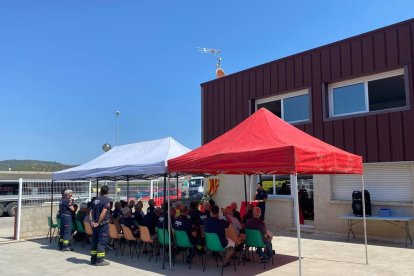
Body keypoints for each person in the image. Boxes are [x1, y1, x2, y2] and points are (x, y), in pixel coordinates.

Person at [89, 185, 111, 266]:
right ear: (107, 192)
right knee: (101, 242)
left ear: (100, 191)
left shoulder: (95, 200)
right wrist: (98, 222)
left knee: (94, 241)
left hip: (94, 225)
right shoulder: (106, 200)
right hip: (102, 224)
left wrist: (92, 221)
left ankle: (93, 259)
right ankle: (100, 260)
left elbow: (90, 212)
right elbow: (104, 212)